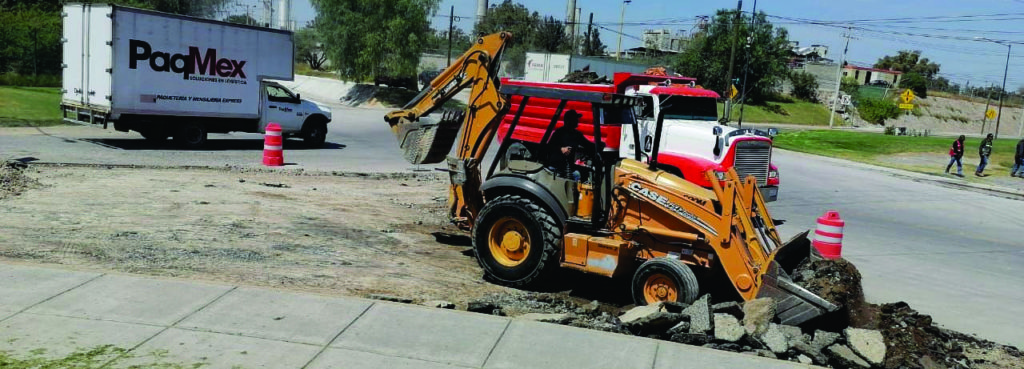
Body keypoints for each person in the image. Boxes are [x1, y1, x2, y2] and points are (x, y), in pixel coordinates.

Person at [546, 110, 596, 180]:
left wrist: (598, 146)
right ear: (569, 121)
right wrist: (561, 149)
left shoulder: (577, 134)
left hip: (569, 167)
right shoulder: (559, 133)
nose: (577, 121)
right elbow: (549, 147)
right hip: (556, 167)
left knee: (579, 175)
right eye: (575, 119)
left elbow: (587, 144)